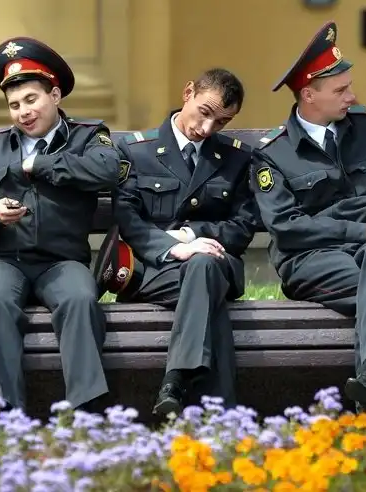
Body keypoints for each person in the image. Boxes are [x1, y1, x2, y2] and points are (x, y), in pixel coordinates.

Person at [250, 21, 366, 409]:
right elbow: (287, 227)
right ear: (309, 95)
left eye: (349, 87)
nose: (351, 96)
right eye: (340, 91)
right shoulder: (273, 154)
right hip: (311, 259)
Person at [0, 37, 120, 411]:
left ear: (55, 95)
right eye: (14, 105)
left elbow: (108, 170)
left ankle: (85, 416)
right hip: (1, 260)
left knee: (80, 299)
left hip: (62, 261)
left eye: (31, 100)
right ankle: (6, 417)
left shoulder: (88, 136)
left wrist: (40, 164)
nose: (23, 112)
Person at [98, 68, 258, 417]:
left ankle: (175, 380)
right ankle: (219, 414)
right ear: (188, 93)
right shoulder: (136, 151)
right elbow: (128, 219)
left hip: (217, 262)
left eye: (222, 122)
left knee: (204, 265)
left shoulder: (236, 157)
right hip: (155, 270)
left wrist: (192, 237)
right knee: (207, 290)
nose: (207, 128)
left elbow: (243, 226)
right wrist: (175, 248)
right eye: (205, 112)